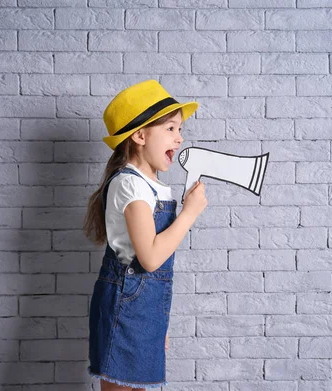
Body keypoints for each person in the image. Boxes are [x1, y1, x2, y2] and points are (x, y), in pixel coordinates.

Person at [82, 79, 208, 390]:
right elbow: (150, 259)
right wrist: (189, 213)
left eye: (180, 130)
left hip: (143, 307)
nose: (179, 139)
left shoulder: (150, 185)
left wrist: (158, 318)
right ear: (139, 135)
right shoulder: (130, 184)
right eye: (170, 129)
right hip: (127, 308)